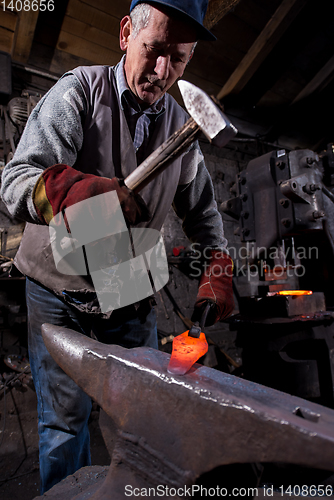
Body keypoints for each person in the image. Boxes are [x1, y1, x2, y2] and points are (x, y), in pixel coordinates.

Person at [0, 0, 234, 493]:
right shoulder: (79, 92)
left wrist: (217, 261)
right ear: (127, 32)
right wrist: (69, 190)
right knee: (65, 428)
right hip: (58, 289)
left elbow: (204, 213)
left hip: (129, 287)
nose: (164, 70)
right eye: (154, 50)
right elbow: (14, 182)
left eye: (180, 58)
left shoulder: (182, 129)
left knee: (144, 419)